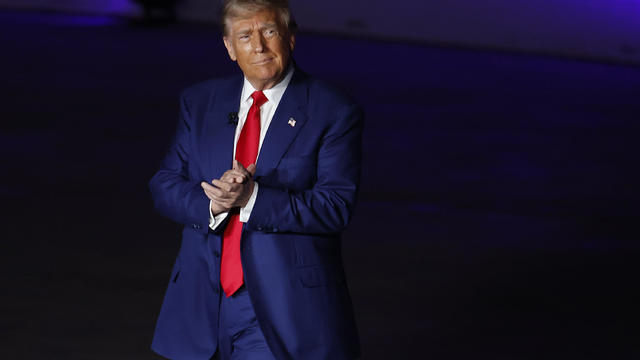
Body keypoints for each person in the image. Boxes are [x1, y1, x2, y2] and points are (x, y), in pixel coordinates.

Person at [149, 0, 362, 359]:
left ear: (290, 38)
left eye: (269, 32)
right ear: (230, 48)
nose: (259, 46)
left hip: (281, 308)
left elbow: (335, 207)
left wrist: (251, 198)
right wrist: (213, 202)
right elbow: (164, 184)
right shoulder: (201, 101)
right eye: (245, 36)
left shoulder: (333, 110)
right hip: (201, 303)